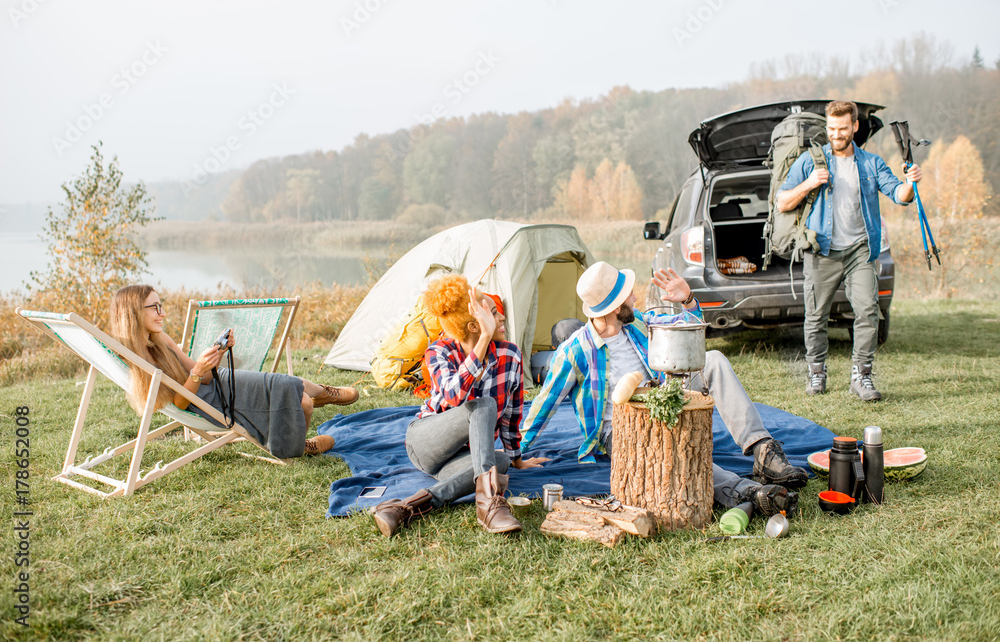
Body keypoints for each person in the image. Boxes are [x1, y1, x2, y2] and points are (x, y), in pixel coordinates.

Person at [519, 262, 807, 518]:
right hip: (620, 429)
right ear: (615, 308)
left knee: (714, 360)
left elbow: (690, 332)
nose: (635, 297)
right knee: (671, 450)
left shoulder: (639, 324)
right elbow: (545, 403)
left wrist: (689, 300)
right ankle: (746, 491)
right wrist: (516, 454)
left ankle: (763, 451)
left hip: (663, 395)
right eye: (628, 295)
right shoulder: (574, 351)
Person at [372, 275, 548, 537]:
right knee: (483, 405)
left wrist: (517, 459)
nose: (501, 318)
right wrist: (485, 339)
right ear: (475, 326)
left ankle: (406, 508)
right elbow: (455, 396)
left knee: (497, 463)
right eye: (492, 313)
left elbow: (512, 415)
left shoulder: (510, 355)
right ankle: (489, 505)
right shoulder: (439, 351)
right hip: (426, 443)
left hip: (464, 456)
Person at [777, 100, 922, 401]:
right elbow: (782, 202)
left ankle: (862, 377)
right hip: (822, 250)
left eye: (842, 128)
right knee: (816, 316)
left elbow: (899, 194)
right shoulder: (810, 161)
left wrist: (910, 183)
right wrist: (809, 184)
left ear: (855, 126)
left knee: (869, 311)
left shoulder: (871, 163)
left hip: (860, 251)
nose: (836, 134)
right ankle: (817, 373)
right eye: (831, 128)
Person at [109, 284, 357, 457]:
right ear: (133, 313)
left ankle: (323, 394)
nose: (162, 313)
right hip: (208, 403)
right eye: (155, 307)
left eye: (161, 305)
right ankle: (301, 445)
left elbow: (204, 375)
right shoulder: (139, 361)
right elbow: (181, 403)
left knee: (284, 384)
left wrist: (216, 354)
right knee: (302, 402)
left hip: (213, 384)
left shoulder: (160, 338)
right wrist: (197, 371)